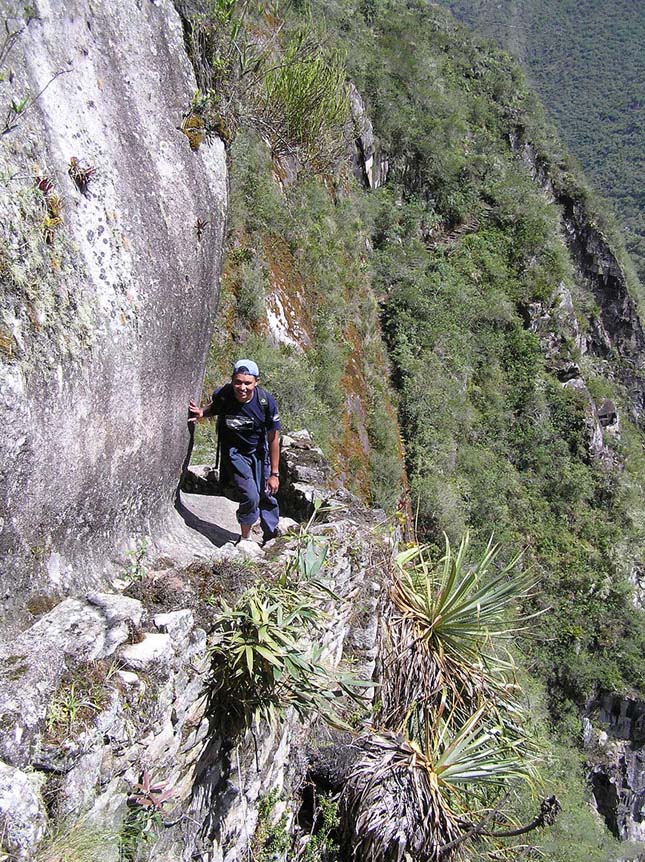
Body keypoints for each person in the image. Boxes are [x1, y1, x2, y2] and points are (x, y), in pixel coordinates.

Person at [188, 359, 281, 543]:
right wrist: (202, 413)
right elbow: (216, 407)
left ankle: (271, 536)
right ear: (232, 380)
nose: (242, 387)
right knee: (251, 495)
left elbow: (273, 438)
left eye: (248, 383)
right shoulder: (225, 394)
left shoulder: (265, 402)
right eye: (238, 382)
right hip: (235, 454)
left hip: (259, 453)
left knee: (267, 494)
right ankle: (245, 540)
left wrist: (274, 473)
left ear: (256, 382)